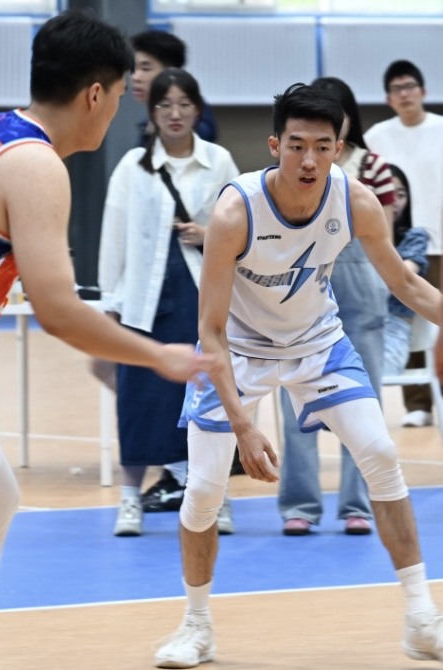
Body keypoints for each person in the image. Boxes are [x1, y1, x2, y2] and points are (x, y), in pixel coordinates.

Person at [0, 11, 218, 670]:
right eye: (121, 94)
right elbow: (60, 312)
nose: (120, 109)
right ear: (95, 94)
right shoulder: (35, 164)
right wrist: (157, 355)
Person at [154, 83, 443, 669]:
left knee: (381, 453)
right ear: (275, 146)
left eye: (322, 146)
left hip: (318, 344)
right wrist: (243, 425)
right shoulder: (235, 211)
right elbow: (210, 331)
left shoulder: (356, 201)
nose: (309, 160)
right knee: (205, 490)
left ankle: (420, 620)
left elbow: (406, 285)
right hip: (236, 350)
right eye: (296, 146)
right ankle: (196, 625)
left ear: (339, 148)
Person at [98, 68, 239, 537]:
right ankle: (129, 499)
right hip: (143, 304)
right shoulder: (131, 167)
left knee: (211, 402)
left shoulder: (219, 162)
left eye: (183, 104)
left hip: (202, 300)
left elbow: (245, 227)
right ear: (152, 112)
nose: (175, 113)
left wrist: (208, 234)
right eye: (164, 105)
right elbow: (113, 239)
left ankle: (217, 499)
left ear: (197, 109)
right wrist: (110, 307)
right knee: (138, 402)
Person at [278, 76, 395, 537]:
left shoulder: (373, 168)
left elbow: (384, 239)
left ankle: (357, 504)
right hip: (302, 296)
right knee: (297, 406)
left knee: (363, 407)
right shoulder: (292, 168)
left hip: (363, 291)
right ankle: (300, 504)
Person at [128, 31, 219, 508]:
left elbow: (226, 209)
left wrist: (206, 232)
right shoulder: (141, 143)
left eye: (145, 67)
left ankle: (188, 469)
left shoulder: (205, 139)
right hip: (155, 279)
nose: (135, 76)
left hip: (193, 276)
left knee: (194, 374)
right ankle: (175, 466)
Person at [365, 59, 443, 428]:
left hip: (439, 240)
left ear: (423, 91)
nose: (404, 94)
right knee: (410, 317)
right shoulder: (377, 136)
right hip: (399, 242)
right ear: (388, 98)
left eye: (410, 86)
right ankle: (418, 404)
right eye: (397, 89)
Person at [130, 30, 217, 147]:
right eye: (133, 69)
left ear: (171, 72)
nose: (135, 77)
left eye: (145, 69)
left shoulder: (195, 119)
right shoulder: (150, 120)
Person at [383, 164, 429, 375]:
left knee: (376, 374)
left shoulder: (415, 237)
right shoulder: (355, 238)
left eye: (400, 195)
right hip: (351, 324)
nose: (393, 201)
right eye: (386, 195)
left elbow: (400, 277)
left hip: (393, 326)